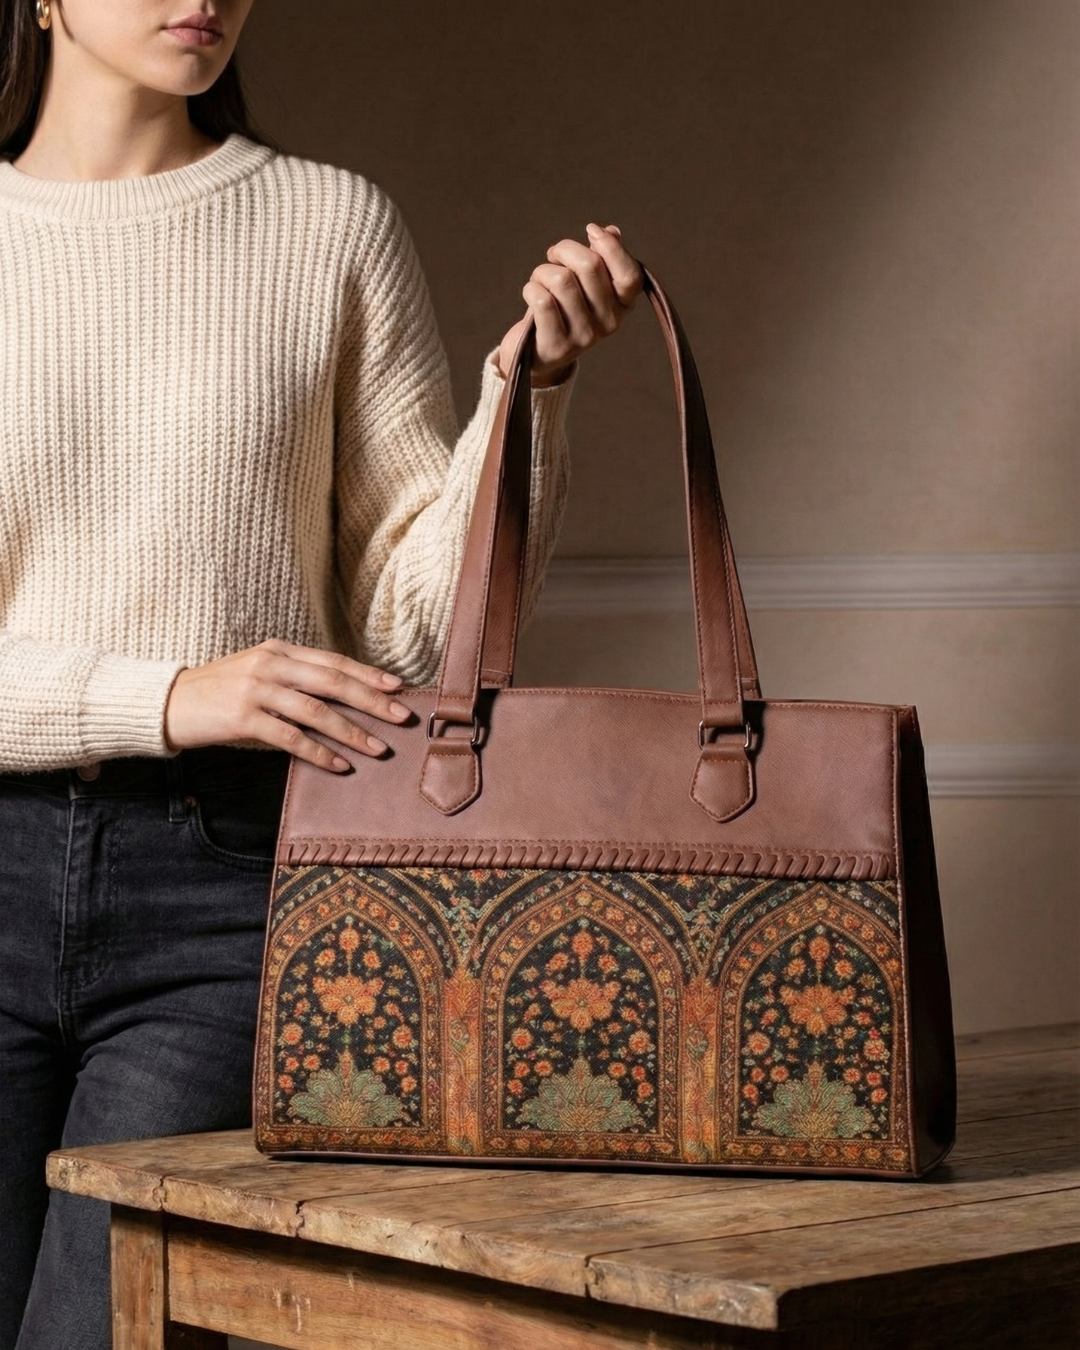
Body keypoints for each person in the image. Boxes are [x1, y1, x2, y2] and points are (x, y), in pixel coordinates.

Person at [0, 2, 642, 1345]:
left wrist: (530, 391)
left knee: (101, 1330)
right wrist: (171, 693)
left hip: (227, 887)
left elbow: (413, 634)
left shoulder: (327, 227)